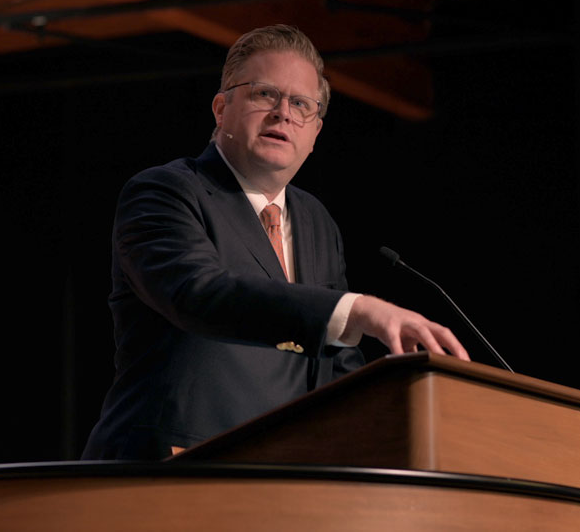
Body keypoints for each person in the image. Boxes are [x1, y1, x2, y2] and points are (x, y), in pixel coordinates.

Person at [83, 24, 469, 460]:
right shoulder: (165, 192)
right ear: (221, 108)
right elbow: (199, 293)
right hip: (172, 469)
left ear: (315, 133)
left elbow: (334, 360)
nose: (283, 113)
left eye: (301, 104)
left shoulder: (315, 221)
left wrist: (414, 401)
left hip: (283, 479)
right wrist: (357, 309)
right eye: (265, 94)